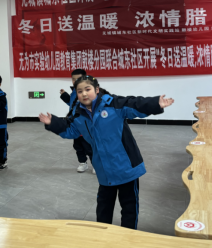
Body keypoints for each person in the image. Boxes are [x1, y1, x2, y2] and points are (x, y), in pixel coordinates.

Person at [39, 75, 174, 229]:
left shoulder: (113, 104)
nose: (84, 94)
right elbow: (70, 130)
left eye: (88, 89)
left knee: (129, 206)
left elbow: (134, 104)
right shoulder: (78, 114)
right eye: (80, 91)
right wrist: (53, 123)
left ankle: (128, 235)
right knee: (103, 207)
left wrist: (155, 103)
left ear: (96, 89)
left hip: (126, 167)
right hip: (104, 169)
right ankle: (103, 235)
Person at [60, 68, 94, 174]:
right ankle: (82, 163)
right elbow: (72, 105)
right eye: (73, 79)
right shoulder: (74, 92)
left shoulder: (88, 91)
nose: (75, 81)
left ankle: (96, 164)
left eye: (78, 78)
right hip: (75, 124)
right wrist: (65, 96)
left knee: (89, 146)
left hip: (86, 125)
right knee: (78, 146)